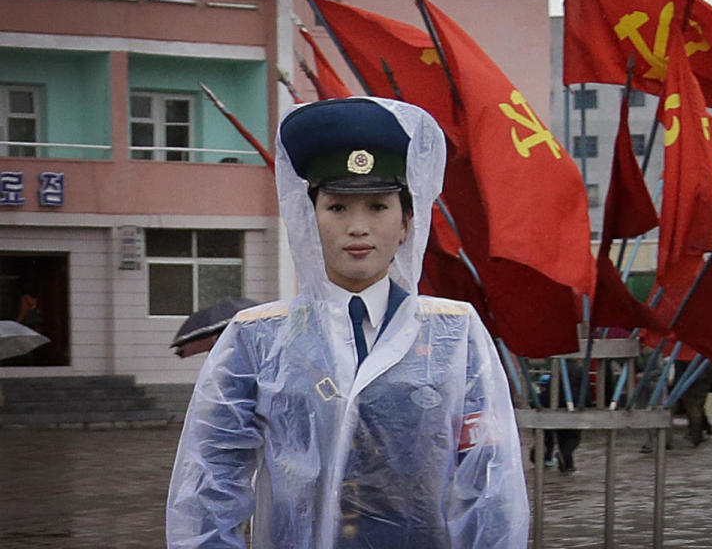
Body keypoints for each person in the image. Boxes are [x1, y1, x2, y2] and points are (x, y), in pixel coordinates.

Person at [166, 98, 529, 548]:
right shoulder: (258, 338)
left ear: (406, 223)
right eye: (337, 208)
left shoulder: (453, 334)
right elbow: (209, 484)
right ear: (310, 219)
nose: (358, 227)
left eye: (378, 207)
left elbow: (489, 484)